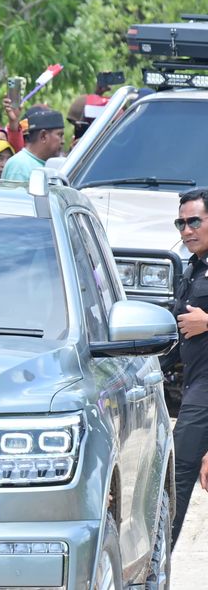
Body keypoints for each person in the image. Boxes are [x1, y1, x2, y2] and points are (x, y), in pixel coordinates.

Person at [173, 188, 208, 544]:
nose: (186, 230)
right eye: (181, 222)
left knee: (178, 475)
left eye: (194, 220)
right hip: (194, 383)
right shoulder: (193, 267)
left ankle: (154, 566)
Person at [1, 109, 64, 182]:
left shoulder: (48, 165)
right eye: (60, 135)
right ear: (43, 136)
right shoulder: (20, 165)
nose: (63, 141)